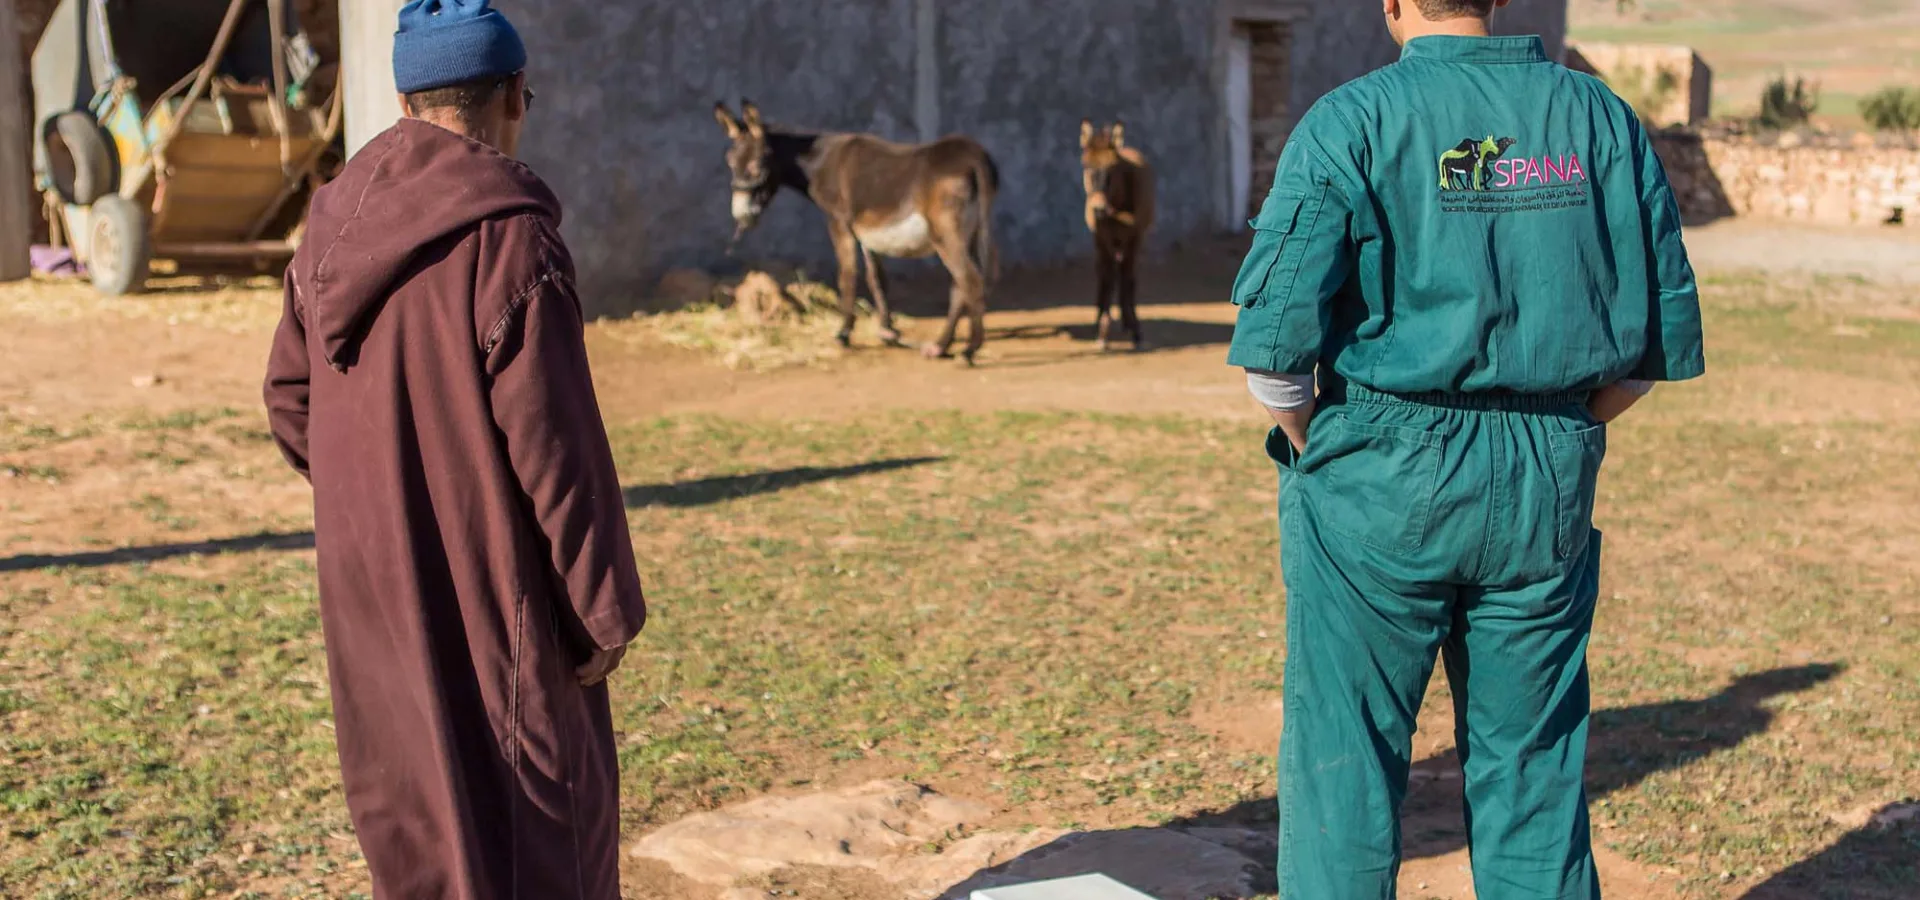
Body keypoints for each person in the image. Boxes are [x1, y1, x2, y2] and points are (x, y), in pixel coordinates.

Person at [1227, 0, 1704, 897]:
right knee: (1534, 772)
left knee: (1345, 763)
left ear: (1392, 4)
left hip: (1377, 469)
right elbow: (1650, 352)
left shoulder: (1350, 119)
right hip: (1547, 473)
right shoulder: (1601, 117)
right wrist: (1558, 426)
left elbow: (1274, 363)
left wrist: (1325, 444)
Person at [262, 1, 645, 897]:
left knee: (419, 827)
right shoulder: (509, 238)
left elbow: (289, 401)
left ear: (404, 105)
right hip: (494, 598)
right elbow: (557, 450)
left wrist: (380, 489)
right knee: (539, 832)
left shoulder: (330, 225)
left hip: (370, 599)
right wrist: (603, 612)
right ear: (516, 94)